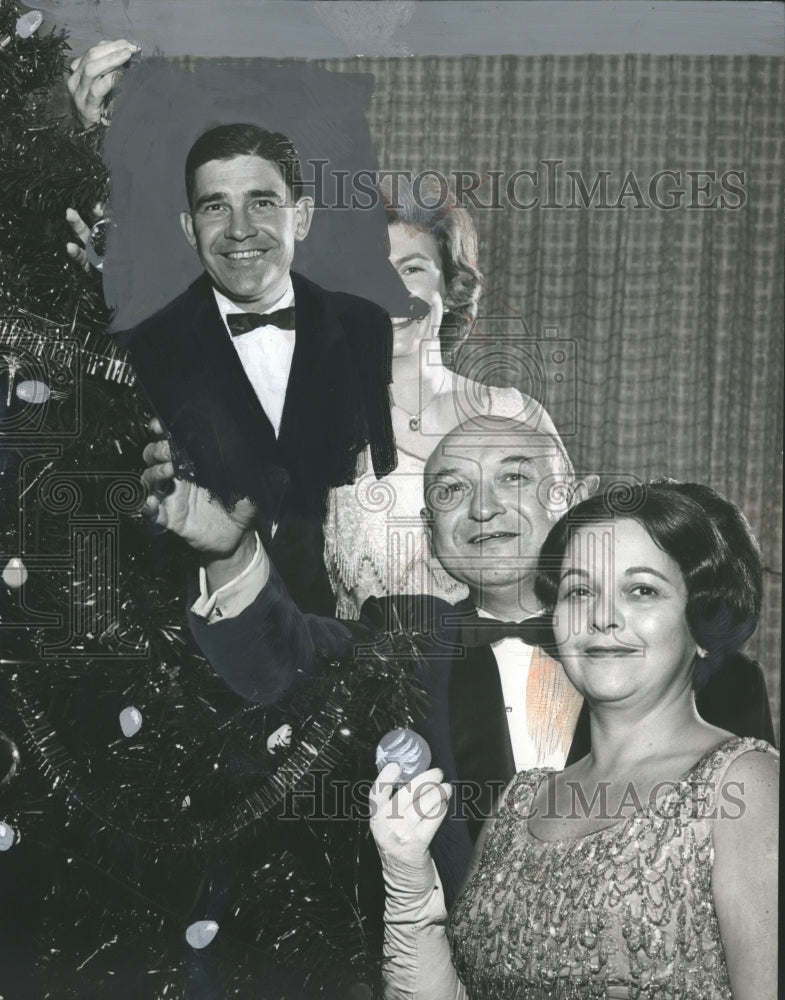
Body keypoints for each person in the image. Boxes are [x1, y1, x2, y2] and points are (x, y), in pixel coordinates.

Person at [144, 416, 774, 904]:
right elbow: (280, 660)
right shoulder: (401, 634)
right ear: (429, 527)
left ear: (574, 497)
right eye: (451, 490)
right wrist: (228, 548)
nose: (482, 507)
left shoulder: (711, 672)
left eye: (515, 477)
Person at [370, 481, 778, 1000]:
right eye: (579, 590)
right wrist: (406, 877)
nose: (601, 616)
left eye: (642, 590)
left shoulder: (745, 784)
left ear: (700, 623)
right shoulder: (520, 801)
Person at [72, 118, 398, 615]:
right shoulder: (141, 350)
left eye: (261, 202)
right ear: (189, 228)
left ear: (302, 217)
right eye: (215, 206)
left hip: (346, 645)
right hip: (202, 649)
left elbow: (378, 489)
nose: (240, 229)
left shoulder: (365, 326)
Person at [324, 177, 551, 618]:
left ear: (449, 287)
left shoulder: (516, 414)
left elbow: (573, 570)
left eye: (411, 269)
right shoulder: (319, 429)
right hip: (372, 678)